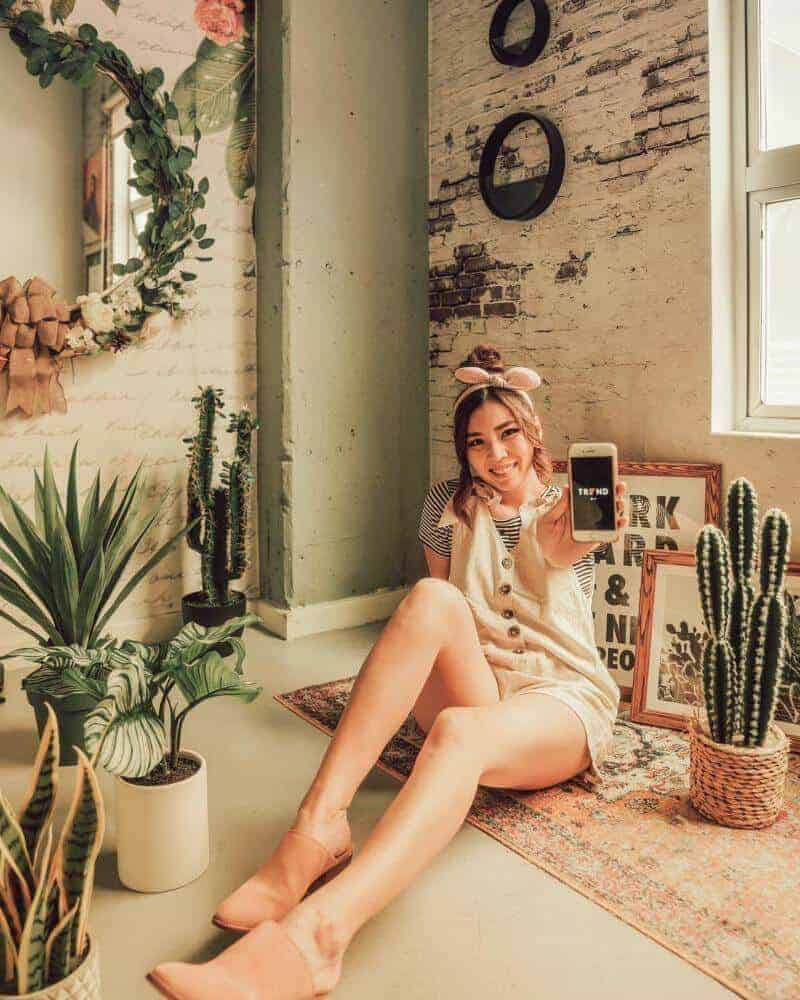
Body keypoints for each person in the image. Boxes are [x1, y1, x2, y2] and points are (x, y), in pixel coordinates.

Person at [147, 343, 629, 1000]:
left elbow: (562, 548)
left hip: (557, 703)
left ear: (533, 431)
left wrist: (565, 540)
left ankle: (318, 940)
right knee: (432, 599)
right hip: (485, 684)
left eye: (509, 434)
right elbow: (447, 614)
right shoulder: (444, 506)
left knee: (459, 731)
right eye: (477, 442)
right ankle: (317, 826)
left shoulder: (564, 514)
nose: (497, 455)